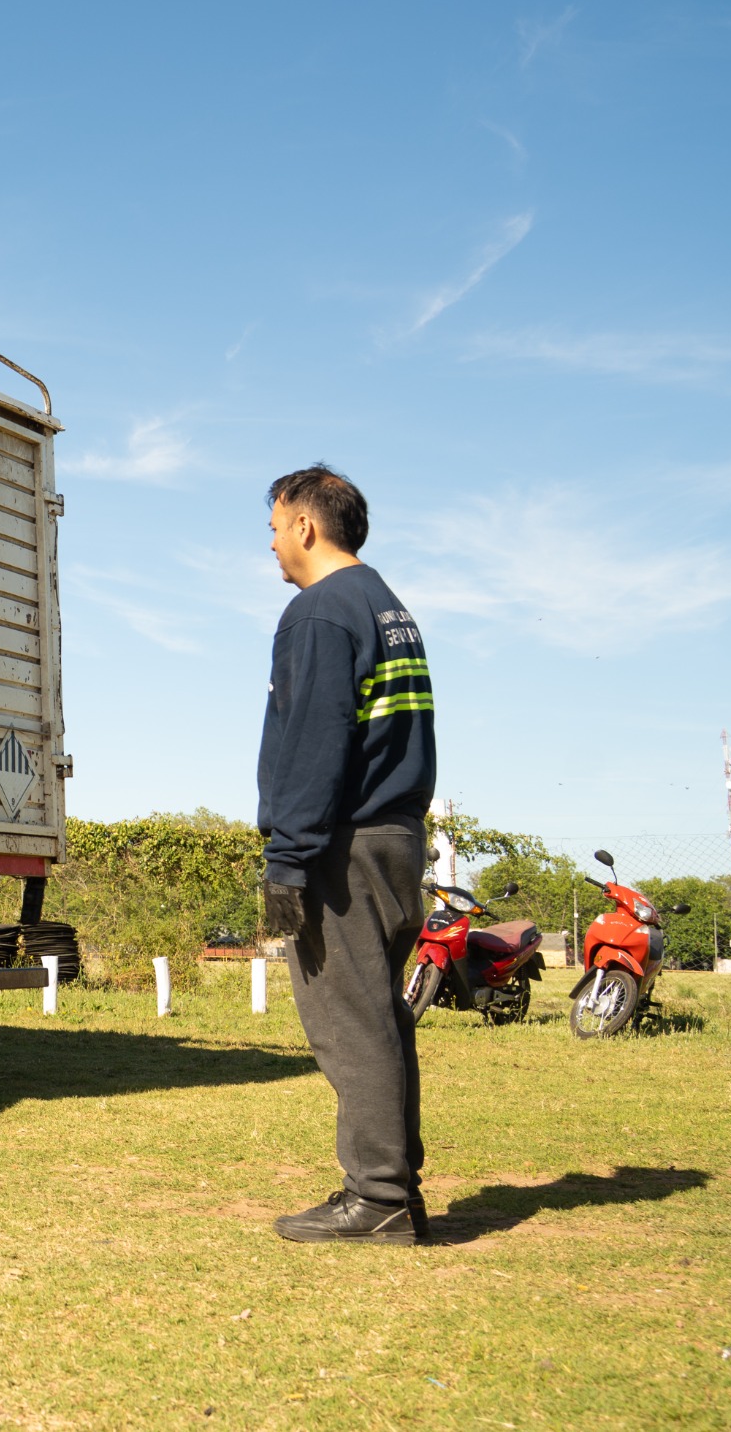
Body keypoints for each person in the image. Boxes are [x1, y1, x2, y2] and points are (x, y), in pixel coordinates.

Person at [256, 465, 437, 1245]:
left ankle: (379, 1197)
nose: (269, 543)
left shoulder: (319, 612)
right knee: (384, 1019)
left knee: (352, 1024)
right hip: (395, 836)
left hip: (344, 847)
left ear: (305, 524)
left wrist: (288, 862)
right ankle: (394, 1186)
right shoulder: (386, 605)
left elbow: (314, 745)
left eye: (272, 526)